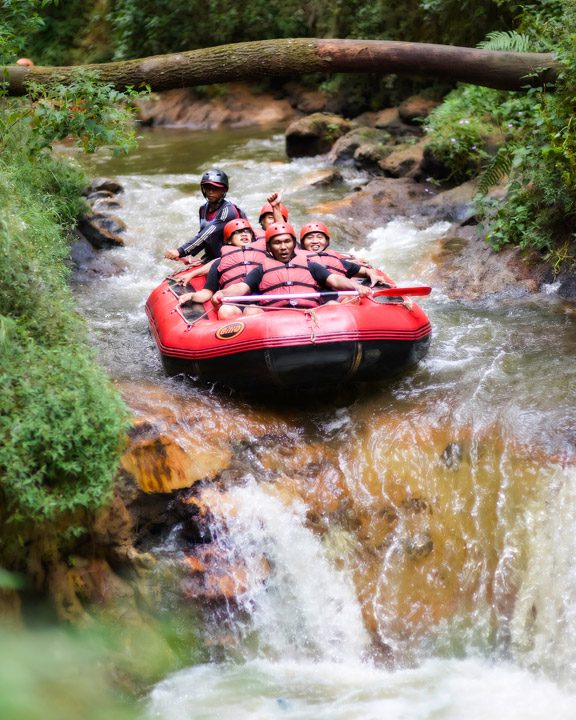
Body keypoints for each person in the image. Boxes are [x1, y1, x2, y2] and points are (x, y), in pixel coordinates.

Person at [212, 222, 372, 313]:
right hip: (274, 319)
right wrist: (223, 293)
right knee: (251, 310)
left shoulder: (310, 265)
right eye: (277, 243)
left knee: (333, 306)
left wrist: (356, 286)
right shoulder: (261, 269)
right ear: (268, 247)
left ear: (294, 244)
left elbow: (335, 280)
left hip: (309, 314)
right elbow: (242, 287)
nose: (283, 247)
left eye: (287, 242)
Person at [178, 218, 265, 320]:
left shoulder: (265, 258)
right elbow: (207, 292)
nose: (244, 234)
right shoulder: (219, 263)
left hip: (256, 302)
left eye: (247, 231)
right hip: (232, 303)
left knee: (252, 310)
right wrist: (192, 296)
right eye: (237, 232)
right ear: (228, 240)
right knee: (225, 311)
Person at [164, 169, 246, 262]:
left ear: (224, 190)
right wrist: (189, 254)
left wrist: (180, 251)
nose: (210, 191)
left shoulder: (227, 211)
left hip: (231, 258)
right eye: (207, 187)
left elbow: (206, 235)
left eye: (215, 188)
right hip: (213, 258)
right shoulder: (203, 209)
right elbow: (204, 237)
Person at [299, 222, 384, 287]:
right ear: (303, 242)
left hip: (340, 299)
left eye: (320, 237)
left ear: (326, 241)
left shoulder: (336, 261)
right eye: (310, 238)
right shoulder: (296, 261)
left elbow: (366, 270)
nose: (315, 241)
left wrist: (373, 275)